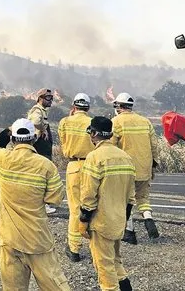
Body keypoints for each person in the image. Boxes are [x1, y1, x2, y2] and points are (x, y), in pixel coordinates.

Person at [0, 118, 71, 291]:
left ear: (13, 139)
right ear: (33, 139)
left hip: (9, 239)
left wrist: (8, 131)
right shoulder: (46, 166)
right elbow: (54, 198)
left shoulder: (2, 159)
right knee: (55, 285)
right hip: (37, 239)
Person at [78, 116, 136, 291]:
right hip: (119, 220)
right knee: (116, 260)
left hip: (101, 222)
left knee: (104, 266)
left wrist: (83, 220)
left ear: (94, 134)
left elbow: (88, 195)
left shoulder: (94, 158)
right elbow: (130, 196)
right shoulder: (126, 157)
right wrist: (124, 219)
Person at [111, 93, 161, 243]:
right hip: (144, 167)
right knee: (143, 197)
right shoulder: (145, 122)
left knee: (125, 201)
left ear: (119, 106)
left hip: (125, 170)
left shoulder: (116, 122)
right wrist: (153, 164)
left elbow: (111, 146)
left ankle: (129, 232)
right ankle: (148, 219)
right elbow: (154, 146)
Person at [57, 93, 96, 262]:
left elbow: (63, 143)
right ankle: (96, 248)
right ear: (88, 107)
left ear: (74, 106)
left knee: (75, 209)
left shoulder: (65, 122)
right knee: (92, 207)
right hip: (93, 166)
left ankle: (74, 249)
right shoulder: (93, 122)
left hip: (73, 166)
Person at [28, 88, 56, 214]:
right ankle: (41, 204)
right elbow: (36, 121)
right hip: (40, 146)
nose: (51, 100)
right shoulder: (37, 110)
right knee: (42, 175)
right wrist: (43, 129)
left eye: (52, 98)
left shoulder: (42, 111)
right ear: (41, 98)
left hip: (43, 146)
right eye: (48, 98)